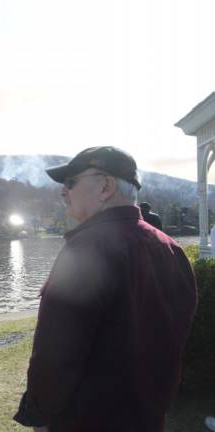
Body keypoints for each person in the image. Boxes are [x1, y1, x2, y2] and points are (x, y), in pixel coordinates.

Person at [13, 146, 197, 432]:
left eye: (71, 182)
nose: (64, 191)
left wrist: (39, 416)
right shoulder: (171, 249)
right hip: (149, 419)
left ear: (106, 186)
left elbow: (55, 355)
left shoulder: (86, 249)